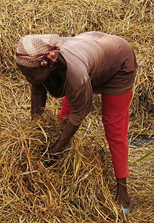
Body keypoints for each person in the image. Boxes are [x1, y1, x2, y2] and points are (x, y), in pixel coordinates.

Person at [15, 32, 137, 212]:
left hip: (117, 63)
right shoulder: (37, 63)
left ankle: (122, 189)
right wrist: (36, 134)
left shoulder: (75, 73)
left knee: (114, 128)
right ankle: (59, 167)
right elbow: (37, 93)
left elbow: (79, 114)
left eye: (31, 76)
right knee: (63, 120)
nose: (28, 80)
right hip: (91, 55)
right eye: (25, 75)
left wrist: (56, 150)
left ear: (48, 64)